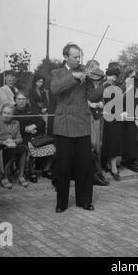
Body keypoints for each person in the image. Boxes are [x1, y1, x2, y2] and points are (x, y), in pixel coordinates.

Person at [50, 43, 95, 213]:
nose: (78, 59)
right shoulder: (57, 73)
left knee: (85, 164)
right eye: (75, 56)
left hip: (82, 122)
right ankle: (61, 203)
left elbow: (92, 95)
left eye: (80, 56)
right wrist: (74, 77)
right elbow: (55, 89)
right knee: (63, 165)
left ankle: (84, 201)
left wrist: (101, 84)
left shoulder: (86, 72)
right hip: (64, 124)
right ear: (66, 57)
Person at [89, 65, 124, 182]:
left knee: (112, 142)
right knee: (97, 144)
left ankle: (112, 167)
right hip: (98, 118)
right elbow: (92, 98)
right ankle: (99, 169)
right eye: (110, 76)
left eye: (114, 76)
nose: (112, 78)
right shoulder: (101, 85)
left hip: (113, 117)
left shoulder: (118, 86)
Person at [14, 91, 55, 183]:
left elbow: (42, 122)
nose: (21, 101)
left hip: (37, 136)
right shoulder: (13, 111)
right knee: (30, 150)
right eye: (19, 99)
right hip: (22, 137)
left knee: (53, 147)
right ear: (15, 100)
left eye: (23, 99)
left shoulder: (32, 110)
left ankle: (46, 169)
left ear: (27, 100)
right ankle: (32, 172)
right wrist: (25, 129)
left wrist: (34, 126)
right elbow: (12, 127)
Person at [0, 104, 28, 189]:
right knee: (7, 151)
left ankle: (20, 175)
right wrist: (4, 142)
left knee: (24, 149)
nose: (6, 115)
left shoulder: (16, 122)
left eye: (9, 113)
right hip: (0, 146)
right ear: (1, 113)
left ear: (13, 114)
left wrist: (13, 141)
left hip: (12, 145)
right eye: (4, 112)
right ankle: (4, 177)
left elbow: (20, 138)